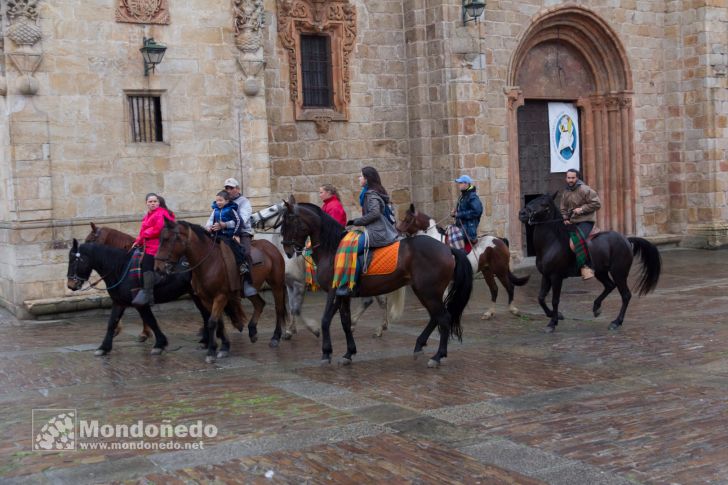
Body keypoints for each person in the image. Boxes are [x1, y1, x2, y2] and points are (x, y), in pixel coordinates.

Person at [337, 167, 398, 296]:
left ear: (367, 179)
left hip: (377, 232)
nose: (359, 178)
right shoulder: (372, 192)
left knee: (350, 249)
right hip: (376, 229)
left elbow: (375, 213)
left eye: (360, 176)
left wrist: (357, 221)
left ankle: (351, 285)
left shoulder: (370, 194)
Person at [211, 177, 257, 296]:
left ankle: (248, 282)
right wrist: (209, 227)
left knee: (245, 253)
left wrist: (224, 225)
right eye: (226, 188)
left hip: (242, 232)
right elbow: (211, 218)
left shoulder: (244, 202)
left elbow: (241, 220)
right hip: (223, 233)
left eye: (231, 188)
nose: (228, 190)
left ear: (237, 189)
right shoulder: (220, 202)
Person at [131, 193, 175, 306]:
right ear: (146, 203)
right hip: (148, 245)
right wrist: (138, 241)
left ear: (158, 203)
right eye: (150, 202)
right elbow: (142, 231)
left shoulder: (161, 213)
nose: (152, 203)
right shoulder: (147, 215)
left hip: (159, 246)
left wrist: (146, 233)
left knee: (146, 263)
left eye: (154, 201)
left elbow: (158, 229)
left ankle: (148, 294)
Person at [560, 168, 601, 279]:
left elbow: (597, 203)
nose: (571, 180)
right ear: (566, 178)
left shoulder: (585, 189)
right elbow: (563, 208)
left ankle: (586, 267)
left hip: (585, 221)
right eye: (569, 178)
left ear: (577, 178)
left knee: (574, 243)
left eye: (573, 178)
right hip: (572, 222)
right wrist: (565, 218)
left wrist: (581, 209)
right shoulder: (566, 192)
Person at [205, 190, 248, 281]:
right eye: (217, 201)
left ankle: (242, 265)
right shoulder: (215, 210)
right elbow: (210, 220)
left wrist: (236, 234)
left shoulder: (230, 210)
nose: (218, 202)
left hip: (229, 235)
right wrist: (209, 227)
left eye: (221, 200)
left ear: (227, 201)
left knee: (235, 247)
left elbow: (239, 221)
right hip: (218, 234)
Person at [450, 175, 483, 253]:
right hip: (461, 226)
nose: (459, 185)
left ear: (466, 184)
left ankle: (462, 259)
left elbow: (477, 211)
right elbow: (462, 210)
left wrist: (459, 214)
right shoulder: (463, 196)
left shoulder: (472, 197)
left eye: (460, 183)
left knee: (454, 238)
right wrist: (455, 212)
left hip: (468, 228)